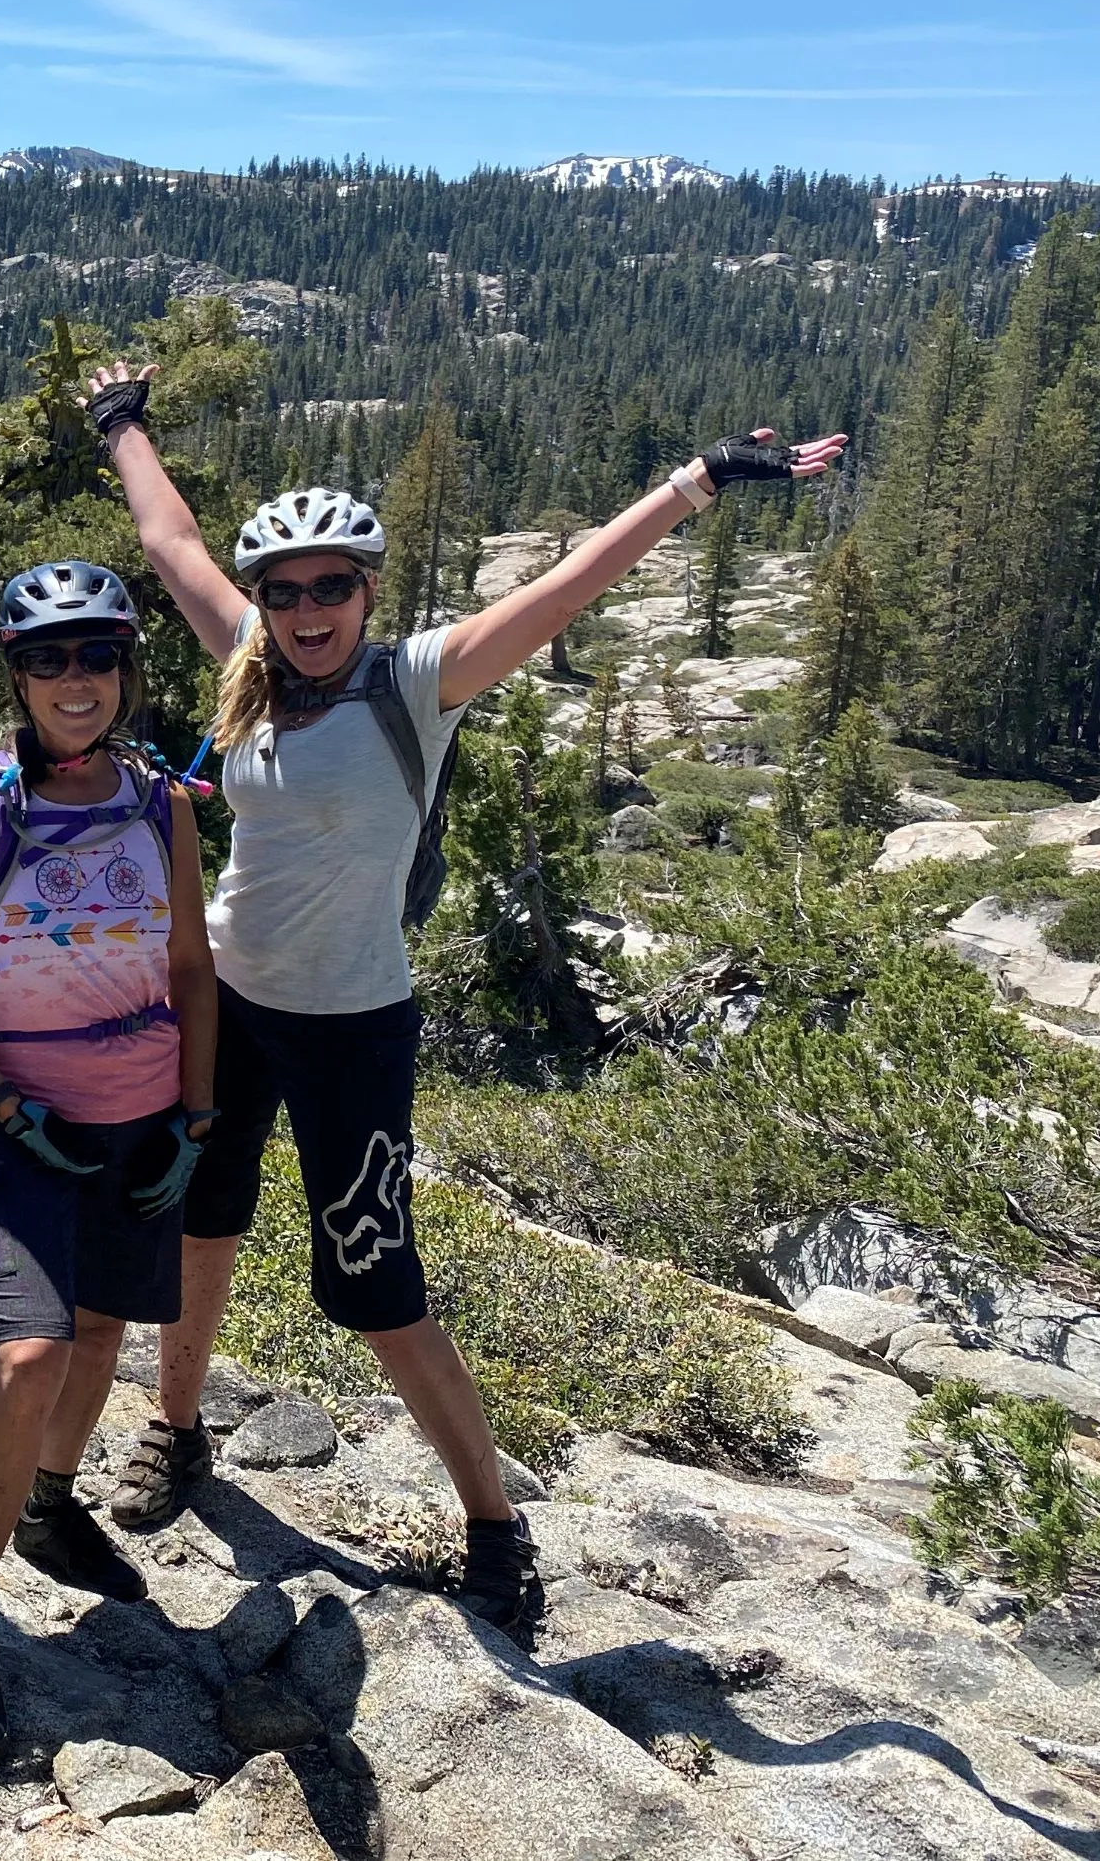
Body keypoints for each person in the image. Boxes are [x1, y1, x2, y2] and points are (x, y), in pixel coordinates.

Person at [82, 356, 845, 1633]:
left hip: (353, 1027)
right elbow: (171, 544)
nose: (308, 607)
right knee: (200, 1227)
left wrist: (698, 482)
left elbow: (564, 589)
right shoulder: (245, 666)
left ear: (370, 592)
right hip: (224, 1005)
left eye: (333, 587)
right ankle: (177, 1429)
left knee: (377, 1285)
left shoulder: (416, 683)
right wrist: (123, 428)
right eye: (286, 590)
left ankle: (494, 1524)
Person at [0, 560, 217, 1770]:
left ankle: (46, 1506)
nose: (73, 682)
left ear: (128, 670)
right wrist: (8, 1097)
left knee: (94, 1337)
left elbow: (189, 967)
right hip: (28, 1127)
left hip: (142, 1118)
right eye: (47, 661)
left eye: (94, 658)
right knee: (26, 1354)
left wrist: (194, 1120)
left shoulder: (160, 805)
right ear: (16, 676)